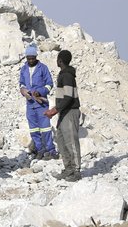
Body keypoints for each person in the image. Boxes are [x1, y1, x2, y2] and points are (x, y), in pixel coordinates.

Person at [44, 50, 82, 182]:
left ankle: (76, 171)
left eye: (57, 58)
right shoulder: (64, 74)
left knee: (71, 141)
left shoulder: (67, 76)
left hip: (70, 111)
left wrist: (54, 110)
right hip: (64, 112)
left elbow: (68, 97)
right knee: (61, 139)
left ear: (60, 60)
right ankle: (68, 168)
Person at [19, 45, 57, 160]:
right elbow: (21, 83)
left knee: (45, 128)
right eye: (28, 58)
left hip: (41, 104)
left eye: (32, 58)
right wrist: (23, 90)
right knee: (33, 129)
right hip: (30, 104)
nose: (30, 60)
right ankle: (40, 150)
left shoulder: (43, 68)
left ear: (36, 57)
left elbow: (50, 84)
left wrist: (40, 92)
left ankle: (51, 151)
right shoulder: (24, 69)